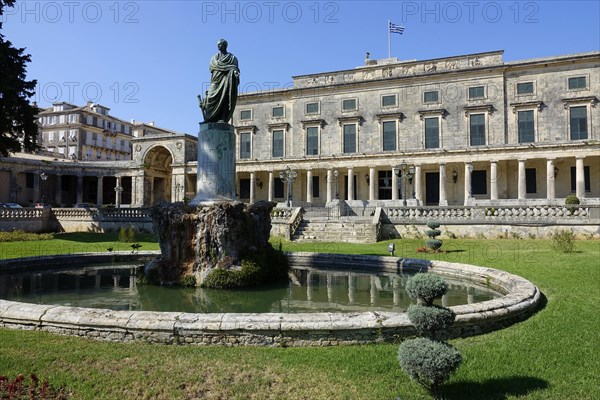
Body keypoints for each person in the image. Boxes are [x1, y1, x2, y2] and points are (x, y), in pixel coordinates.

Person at [199, 39, 240, 123]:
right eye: (218, 44)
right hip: (216, 80)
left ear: (224, 45)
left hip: (226, 80)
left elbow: (235, 68)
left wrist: (234, 72)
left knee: (225, 98)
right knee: (209, 97)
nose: (218, 46)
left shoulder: (232, 58)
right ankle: (209, 119)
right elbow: (211, 68)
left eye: (220, 44)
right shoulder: (214, 57)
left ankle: (222, 118)